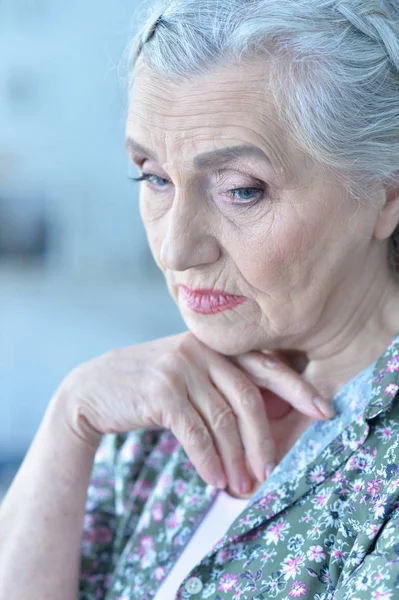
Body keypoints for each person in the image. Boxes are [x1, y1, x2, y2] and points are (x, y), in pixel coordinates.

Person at [1, 0, 399, 598]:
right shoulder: (148, 409)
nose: (175, 248)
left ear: (386, 193)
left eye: (242, 190)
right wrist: (70, 417)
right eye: (154, 177)